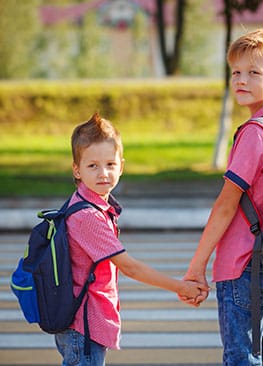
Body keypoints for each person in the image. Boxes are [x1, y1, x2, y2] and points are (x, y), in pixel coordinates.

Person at [182, 28, 263, 365]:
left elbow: (225, 206)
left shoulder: (254, 133)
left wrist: (197, 266)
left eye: (253, 72)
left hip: (242, 265)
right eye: (236, 72)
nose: (241, 80)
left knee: (241, 358)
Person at [55, 113, 208, 366]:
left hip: (83, 322)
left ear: (121, 167)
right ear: (77, 170)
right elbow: (130, 267)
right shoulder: (87, 216)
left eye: (110, 164)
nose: (103, 173)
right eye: (92, 165)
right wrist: (180, 287)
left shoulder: (91, 205)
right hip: (82, 326)